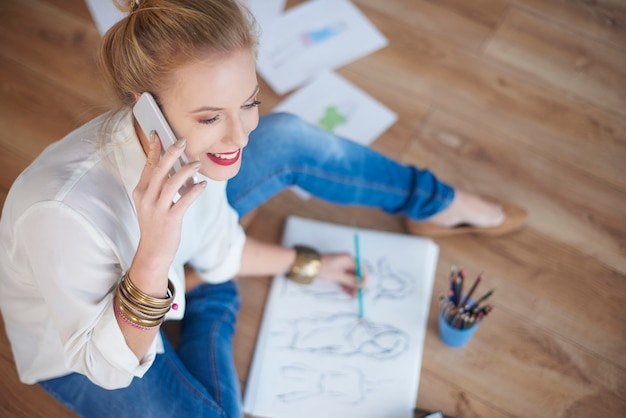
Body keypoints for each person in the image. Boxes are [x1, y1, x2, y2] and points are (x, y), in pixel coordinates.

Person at [0, 1, 526, 417]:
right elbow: (104, 367)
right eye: (210, 117)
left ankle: (437, 203)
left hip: (167, 264)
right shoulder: (61, 213)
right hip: (88, 347)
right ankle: (210, 301)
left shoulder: (192, 152)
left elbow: (218, 238)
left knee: (290, 136)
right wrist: (158, 254)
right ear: (147, 110)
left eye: (249, 102)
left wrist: (307, 264)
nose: (240, 134)